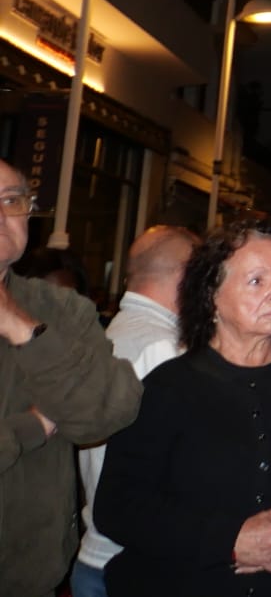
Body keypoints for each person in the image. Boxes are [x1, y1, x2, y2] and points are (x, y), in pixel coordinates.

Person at [94, 219, 271, 596]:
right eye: (257, 281)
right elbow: (118, 507)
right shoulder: (169, 386)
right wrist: (228, 539)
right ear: (211, 295)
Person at [0, 161, 143, 597]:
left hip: (26, 577)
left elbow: (105, 413)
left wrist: (23, 328)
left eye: (11, 201)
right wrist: (33, 427)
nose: (1, 216)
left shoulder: (62, 310)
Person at [72, 225, 200, 597]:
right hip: (142, 564)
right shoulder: (167, 351)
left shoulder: (107, 335)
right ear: (187, 275)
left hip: (97, 555)